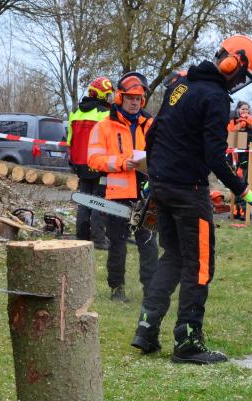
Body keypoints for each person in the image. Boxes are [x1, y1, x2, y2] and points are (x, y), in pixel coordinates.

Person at [130, 35, 252, 364]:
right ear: (232, 64)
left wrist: (151, 179)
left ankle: (146, 328)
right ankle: (187, 340)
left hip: (164, 185)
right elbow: (214, 155)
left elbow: (154, 131)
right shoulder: (214, 97)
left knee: (173, 257)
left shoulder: (179, 84)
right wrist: (245, 191)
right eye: (240, 74)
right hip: (188, 191)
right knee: (199, 267)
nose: (239, 81)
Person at [87, 72, 158, 303]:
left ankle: (151, 290)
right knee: (117, 245)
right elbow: (93, 159)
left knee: (148, 244)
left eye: (138, 98)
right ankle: (116, 288)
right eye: (130, 97)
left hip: (146, 194)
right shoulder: (104, 126)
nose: (135, 102)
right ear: (120, 98)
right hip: (117, 196)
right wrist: (120, 163)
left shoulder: (150, 125)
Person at [68, 76, 113, 250]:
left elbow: (70, 141)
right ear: (102, 95)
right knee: (99, 202)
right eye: (108, 95)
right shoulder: (106, 115)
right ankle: (99, 240)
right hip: (99, 165)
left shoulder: (76, 113)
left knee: (84, 201)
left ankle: (81, 237)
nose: (110, 98)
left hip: (80, 164)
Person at [227, 100, 252, 219]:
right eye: (242, 109)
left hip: (248, 156)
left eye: (247, 109)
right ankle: (236, 210)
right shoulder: (232, 120)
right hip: (234, 156)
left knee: (244, 182)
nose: (245, 111)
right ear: (238, 109)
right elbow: (228, 133)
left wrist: (249, 126)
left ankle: (245, 211)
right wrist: (239, 126)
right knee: (233, 183)